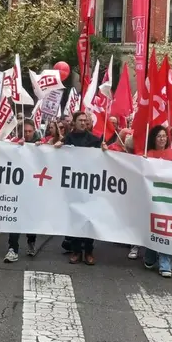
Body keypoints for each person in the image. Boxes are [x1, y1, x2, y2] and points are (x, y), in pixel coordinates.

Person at [55, 111, 104, 265]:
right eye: (80, 120)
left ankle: (88, 251)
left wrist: (104, 150)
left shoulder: (95, 140)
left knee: (88, 218)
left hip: (89, 185)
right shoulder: (67, 139)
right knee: (75, 218)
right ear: (74, 122)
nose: (83, 123)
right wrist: (56, 147)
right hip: (73, 185)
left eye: (85, 120)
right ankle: (76, 251)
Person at [139, 125, 172, 276]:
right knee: (153, 225)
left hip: (169, 198)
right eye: (159, 136)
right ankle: (151, 254)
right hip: (151, 196)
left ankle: (166, 262)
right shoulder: (146, 155)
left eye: (164, 136)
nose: (162, 139)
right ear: (153, 138)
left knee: (166, 228)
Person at [5, 119, 39, 263]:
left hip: (33, 189)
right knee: (15, 218)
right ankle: (12, 248)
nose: (27, 133)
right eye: (25, 131)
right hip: (17, 187)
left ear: (34, 131)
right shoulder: (14, 142)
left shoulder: (40, 144)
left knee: (30, 218)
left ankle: (31, 241)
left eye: (30, 131)